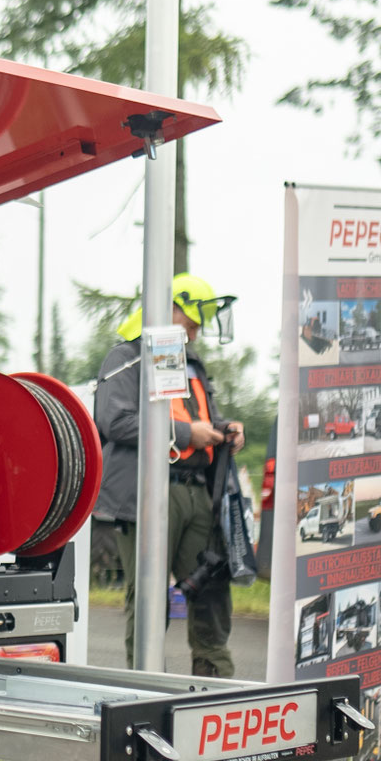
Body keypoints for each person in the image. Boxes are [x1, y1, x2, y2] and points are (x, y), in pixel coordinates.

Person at [95, 273, 245, 676]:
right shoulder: (126, 355)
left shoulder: (191, 363)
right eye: (193, 324)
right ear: (172, 308)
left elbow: (197, 418)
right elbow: (114, 421)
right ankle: (145, 690)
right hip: (147, 493)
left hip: (198, 492)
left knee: (210, 588)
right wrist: (184, 435)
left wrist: (224, 428)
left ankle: (214, 688)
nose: (195, 335)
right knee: (148, 600)